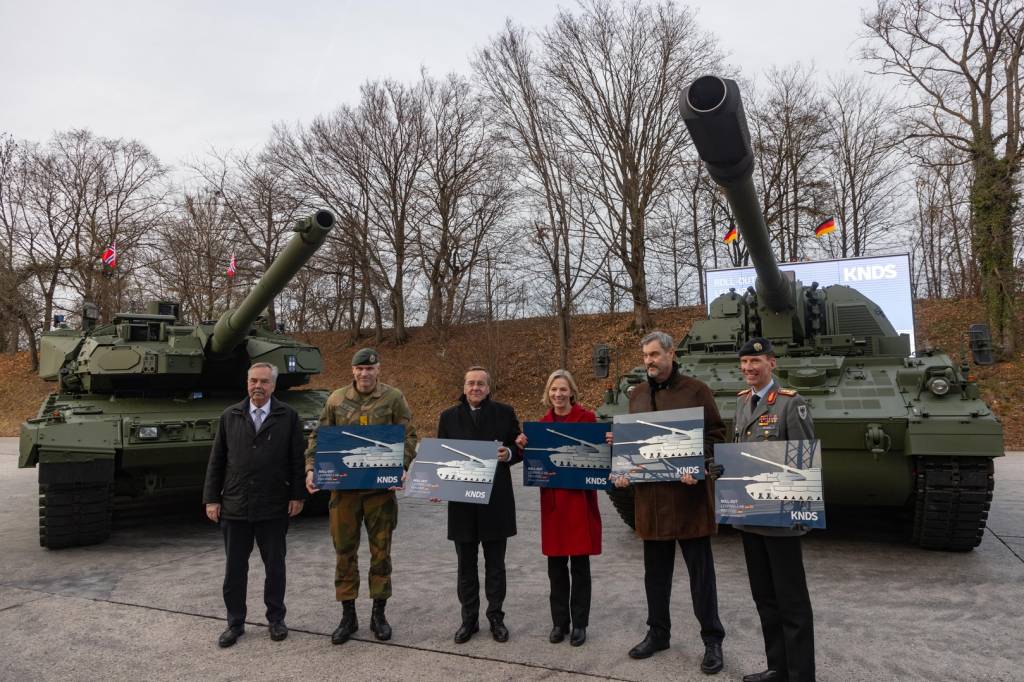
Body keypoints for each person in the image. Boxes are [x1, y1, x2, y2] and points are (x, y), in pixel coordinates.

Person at [610, 331, 726, 674]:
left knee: (701, 577)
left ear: (671, 354)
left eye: (655, 354)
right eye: (645, 355)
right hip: (651, 503)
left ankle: (712, 640)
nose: (649, 360)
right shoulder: (637, 395)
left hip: (688, 499)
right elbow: (632, 445)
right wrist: (624, 464)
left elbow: (716, 434)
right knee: (655, 576)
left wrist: (699, 463)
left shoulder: (696, 390)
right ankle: (658, 633)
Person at [304, 348, 418, 645]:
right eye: (360, 369)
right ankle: (348, 614)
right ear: (352, 371)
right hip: (345, 492)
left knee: (381, 551)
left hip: (379, 491)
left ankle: (379, 613)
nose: (365, 374)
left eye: (370, 369)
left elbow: (408, 435)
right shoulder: (336, 399)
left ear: (378, 370)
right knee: (344, 551)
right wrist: (310, 468)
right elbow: (319, 436)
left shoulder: (392, 398)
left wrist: (403, 466)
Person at [203, 362, 306, 648]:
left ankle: (276, 619)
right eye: (252, 381)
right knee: (234, 569)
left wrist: (297, 495)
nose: (257, 386)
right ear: (246, 383)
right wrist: (211, 498)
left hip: (273, 504)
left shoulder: (288, 416)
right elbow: (217, 461)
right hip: (235, 504)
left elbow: (297, 459)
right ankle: (235, 623)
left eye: (263, 381)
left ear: (273, 385)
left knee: (275, 566)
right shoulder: (230, 415)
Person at [733, 337, 815, 682]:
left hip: (780, 519)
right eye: (745, 365)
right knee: (764, 598)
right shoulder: (742, 403)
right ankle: (777, 668)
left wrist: (800, 513)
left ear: (772, 364)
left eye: (756, 362)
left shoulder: (789, 404)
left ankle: (800, 675)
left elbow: (804, 458)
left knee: (791, 602)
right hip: (751, 517)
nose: (749, 369)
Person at [514, 369, 601, 647]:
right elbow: (535, 462)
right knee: (556, 567)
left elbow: (600, 454)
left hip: (579, 502)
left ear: (571, 391)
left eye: (563, 389)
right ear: (547, 393)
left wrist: (608, 442)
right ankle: (559, 622)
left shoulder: (587, 420)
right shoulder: (540, 426)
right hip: (553, 505)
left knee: (579, 566)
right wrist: (523, 446)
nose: (558, 394)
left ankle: (580, 624)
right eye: (553, 390)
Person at [437, 366, 522, 644]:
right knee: (466, 566)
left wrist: (508, 452)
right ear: (464, 387)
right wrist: (435, 484)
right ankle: (469, 619)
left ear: (488, 387)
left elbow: (519, 446)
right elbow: (439, 457)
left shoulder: (504, 412)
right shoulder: (448, 417)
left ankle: (496, 617)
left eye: (481, 384)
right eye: (471, 383)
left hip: (495, 501)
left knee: (496, 565)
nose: (476, 388)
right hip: (462, 504)